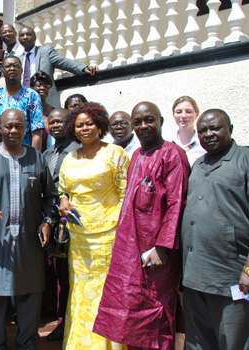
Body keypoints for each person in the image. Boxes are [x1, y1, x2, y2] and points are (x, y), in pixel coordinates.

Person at [93, 102, 190, 350]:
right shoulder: (136, 155)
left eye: (149, 120)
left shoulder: (172, 154)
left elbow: (176, 204)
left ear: (160, 122)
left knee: (157, 314)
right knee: (129, 311)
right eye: (138, 122)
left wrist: (162, 246)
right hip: (129, 250)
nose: (143, 126)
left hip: (156, 254)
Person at [181, 109, 249, 350]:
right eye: (203, 130)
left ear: (230, 129)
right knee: (198, 345)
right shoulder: (198, 165)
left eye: (215, 128)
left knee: (236, 343)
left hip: (234, 280)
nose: (209, 134)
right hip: (195, 280)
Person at [0, 109, 58, 350]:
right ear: (0, 128)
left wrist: (47, 220)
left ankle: (26, 344)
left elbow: (50, 197)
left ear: (26, 128)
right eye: (8, 126)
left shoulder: (36, 159)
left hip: (29, 240)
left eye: (18, 126)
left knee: (30, 295)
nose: (13, 131)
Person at [56, 102, 129, 350]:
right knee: (80, 292)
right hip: (79, 239)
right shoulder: (69, 158)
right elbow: (62, 188)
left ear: (100, 125)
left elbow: (125, 195)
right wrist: (63, 200)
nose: (85, 128)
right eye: (79, 125)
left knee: (106, 293)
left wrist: (117, 228)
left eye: (89, 123)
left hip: (108, 236)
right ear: (73, 130)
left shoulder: (116, 154)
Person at [41, 107, 79, 341]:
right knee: (53, 272)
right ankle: (54, 315)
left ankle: (67, 322)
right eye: (52, 122)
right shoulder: (47, 153)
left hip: (72, 221)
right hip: (51, 221)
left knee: (67, 275)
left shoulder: (78, 151)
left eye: (60, 121)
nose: (55, 125)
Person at [16, 26, 97, 107]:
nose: (25, 37)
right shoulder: (18, 59)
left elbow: (64, 62)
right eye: (22, 35)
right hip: (24, 102)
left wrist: (83, 68)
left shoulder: (46, 52)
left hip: (46, 101)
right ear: (19, 39)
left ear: (35, 37)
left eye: (28, 34)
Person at [0, 56, 45, 150]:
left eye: (16, 66)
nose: (12, 68)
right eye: (8, 66)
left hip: (24, 154)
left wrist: (34, 158)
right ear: (2, 71)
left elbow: (37, 132)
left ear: (21, 70)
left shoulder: (31, 96)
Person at [171, 96, 206, 166]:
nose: (183, 115)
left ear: (197, 114)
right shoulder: (167, 143)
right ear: (173, 114)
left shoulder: (204, 145)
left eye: (189, 112)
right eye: (179, 112)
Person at [29, 71, 55, 149]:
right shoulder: (27, 112)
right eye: (39, 85)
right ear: (31, 88)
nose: (42, 88)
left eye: (46, 85)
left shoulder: (54, 113)